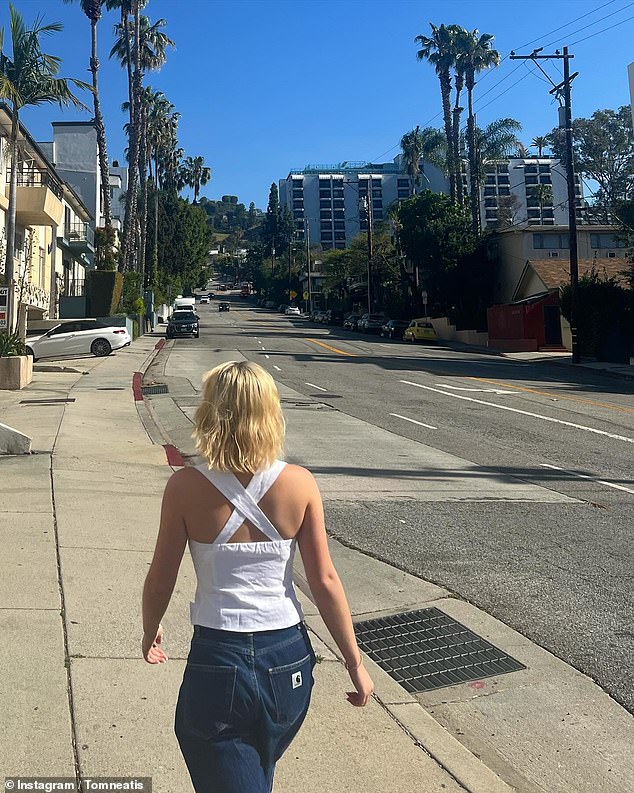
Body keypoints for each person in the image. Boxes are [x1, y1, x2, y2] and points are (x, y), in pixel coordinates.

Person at [141, 360, 374, 793]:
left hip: (219, 656)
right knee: (255, 766)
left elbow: (161, 578)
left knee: (220, 755)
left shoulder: (185, 488)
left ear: (210, 412)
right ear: (269, 414)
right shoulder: (300, 485)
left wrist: (150, 629)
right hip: (288, 657)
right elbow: (323, 580)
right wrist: (354, 663)